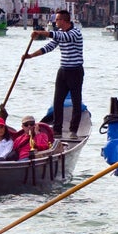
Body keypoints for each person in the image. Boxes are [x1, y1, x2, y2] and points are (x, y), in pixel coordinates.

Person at [24, 9, 84, 140]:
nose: (55, 21)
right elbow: (49, 47)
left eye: (57, 19)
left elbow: (61, 37)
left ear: (63, 20)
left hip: (75, 71)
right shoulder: (60, 33)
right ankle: (57, 130)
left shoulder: (75, 33)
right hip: (63, 71)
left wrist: (40, 32)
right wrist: (30, 56)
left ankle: (73, 130)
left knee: (76, 102)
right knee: (57, 101)